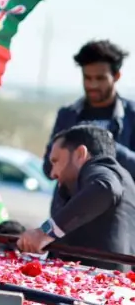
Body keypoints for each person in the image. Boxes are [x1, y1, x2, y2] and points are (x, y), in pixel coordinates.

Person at [19, 125, 135, 270]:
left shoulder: (102, 169)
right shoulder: (122, 177)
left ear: (80, 154)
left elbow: (105, 188)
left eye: (56, 161)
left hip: (97, 285)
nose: (53, 173)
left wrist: (45, 232)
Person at [43, 40, 135, 184]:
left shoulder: (131, 115)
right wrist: (66, 151)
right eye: (87, 78)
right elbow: (48, 170)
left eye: (100, 78)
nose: (93, 85)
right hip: (71, 205)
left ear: (116, 76)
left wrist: (104, 146)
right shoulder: (68, 114)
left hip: (118, 203)